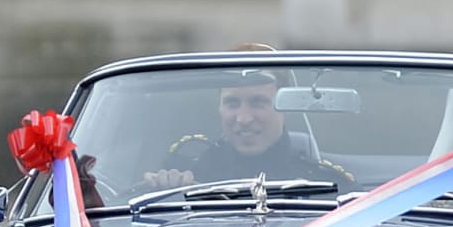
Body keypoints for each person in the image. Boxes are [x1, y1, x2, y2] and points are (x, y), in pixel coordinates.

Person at [144, 46, 354, 190]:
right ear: (219, 108)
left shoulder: (325, 184)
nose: (243, 118)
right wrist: (167, 192)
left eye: (258, 102)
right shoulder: (186, 174)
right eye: (232, 103)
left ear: (286, 108)